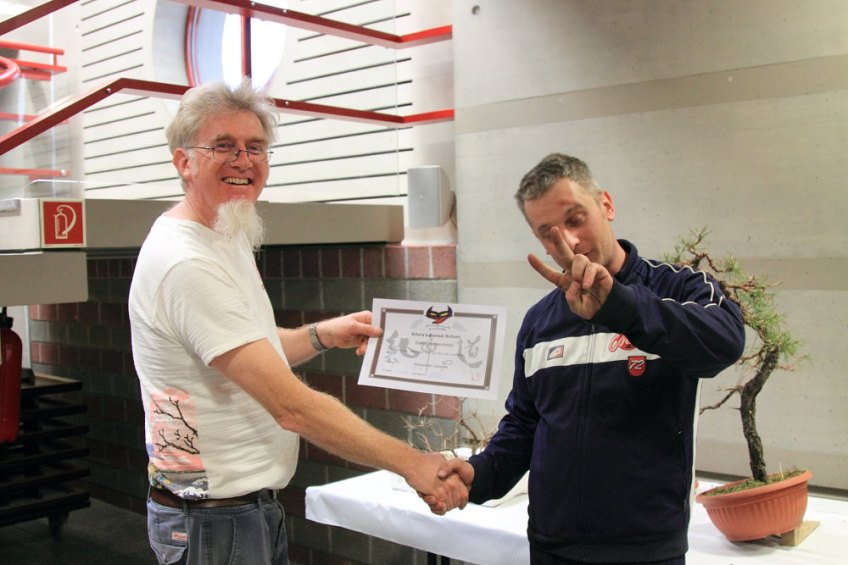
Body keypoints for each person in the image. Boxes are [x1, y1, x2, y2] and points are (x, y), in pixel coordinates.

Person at [128, 79, 467, 565]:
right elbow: (292, 408)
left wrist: (323, 334)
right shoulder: (187, 263)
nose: (244, 160)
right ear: (184, 161)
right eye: (223, 146)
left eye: (255, 147)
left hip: (241, 509)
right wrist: (414, 464)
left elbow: (249, 349)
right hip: (211, 521)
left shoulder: (224, 233)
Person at [435, 153, 746, 564]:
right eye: (548, 234)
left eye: (576, 219)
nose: (568, 242)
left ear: (607, 205)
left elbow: (725, 341)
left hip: (646, 550)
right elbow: (526, 424)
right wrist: (480, 473)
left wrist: (622, 307)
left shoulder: (675, 287)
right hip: (552, 546)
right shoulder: (541, 320)